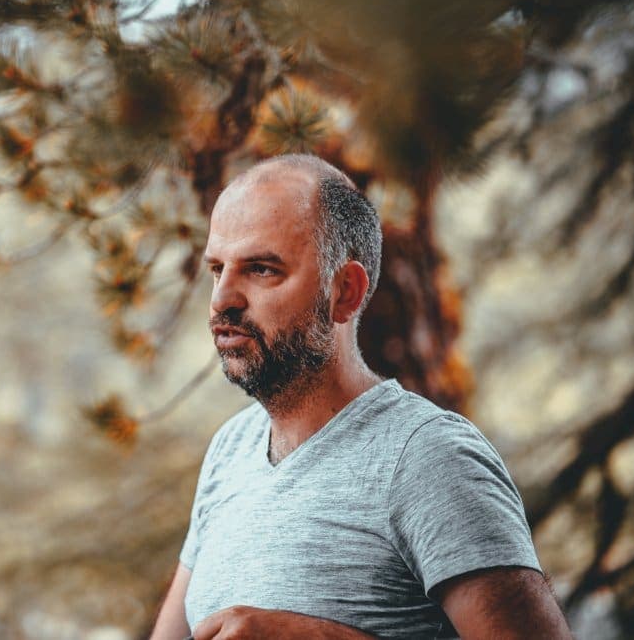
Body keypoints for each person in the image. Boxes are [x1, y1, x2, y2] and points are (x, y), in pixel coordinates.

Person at [149, 155, 572, 639]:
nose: (222, 299)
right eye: (217, 269)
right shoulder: (230, 450)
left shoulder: (429, 458)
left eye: (261, 269)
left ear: (345, 291)